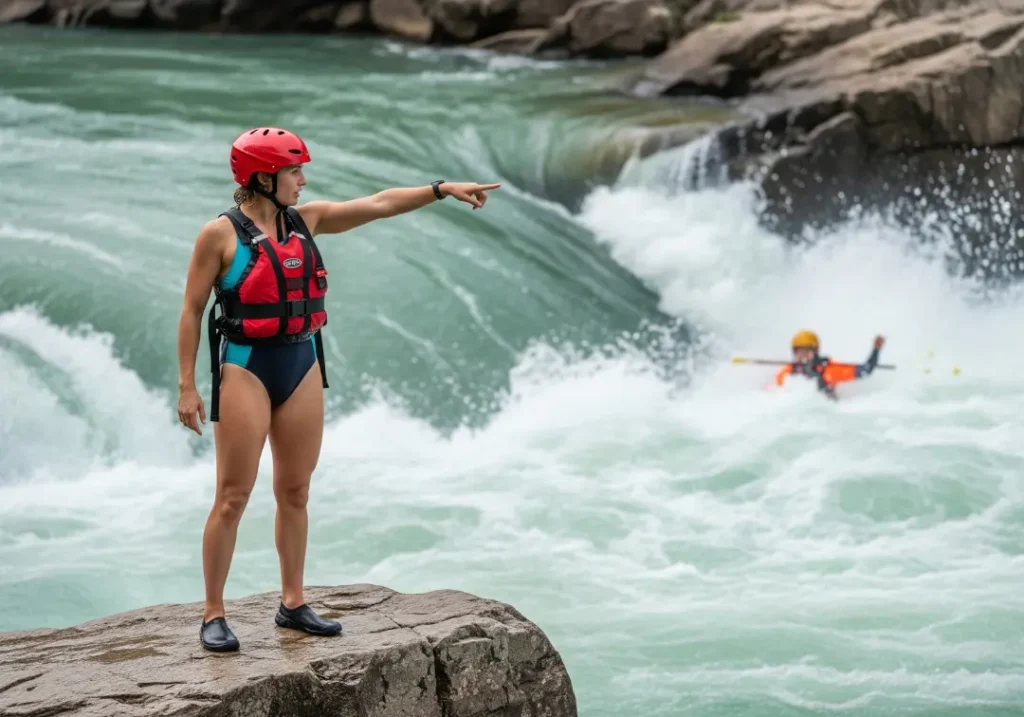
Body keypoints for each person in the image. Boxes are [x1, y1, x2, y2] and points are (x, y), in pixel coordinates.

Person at [176, 126, 501, 653]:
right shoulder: (219, 235)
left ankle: (294, 602)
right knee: (233, 496)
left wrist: (439, 189)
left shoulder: (307, 221)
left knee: (296, 491)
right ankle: (214, 612)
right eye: (293, 172)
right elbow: (191, 310)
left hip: (301, 361)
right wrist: (188, 385)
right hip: (246, 366)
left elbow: (377, 204)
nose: (302, 181)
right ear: (263, 178)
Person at [774, 330, 885, 400]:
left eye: (806, 352)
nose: (802, 357)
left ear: (815, 351)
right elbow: (773, 393)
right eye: (799, 352)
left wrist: (876, 350)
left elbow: (865, 371)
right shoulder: (788, 372)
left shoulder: (829, 371)